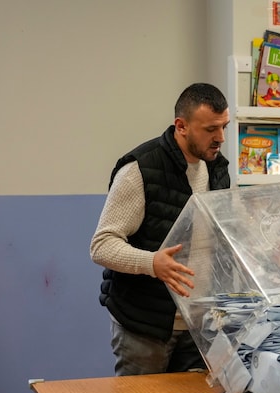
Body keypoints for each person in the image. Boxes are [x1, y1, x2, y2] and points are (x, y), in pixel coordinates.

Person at [90, 83, 230, 376]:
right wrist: (152, 263)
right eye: (211, 129)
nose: (221, 138)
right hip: (145, 327)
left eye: (224, 127)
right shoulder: (140, 169)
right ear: (181, 126)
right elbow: (102, 245)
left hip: (198, 325)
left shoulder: (217, 168)